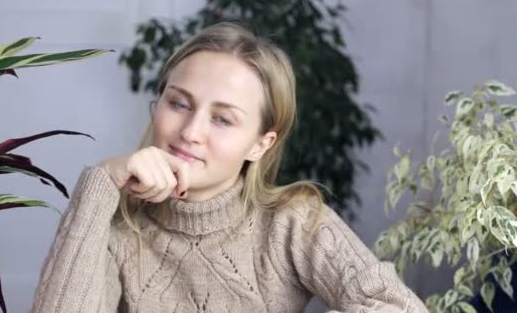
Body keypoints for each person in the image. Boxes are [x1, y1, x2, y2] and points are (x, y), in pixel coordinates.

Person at [31, 22, 428, 312]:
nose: (190, 132)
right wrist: (101, 182)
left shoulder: (292, 222)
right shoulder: (117, 224)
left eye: (222, 119)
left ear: (260, 143)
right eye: (179, 103)